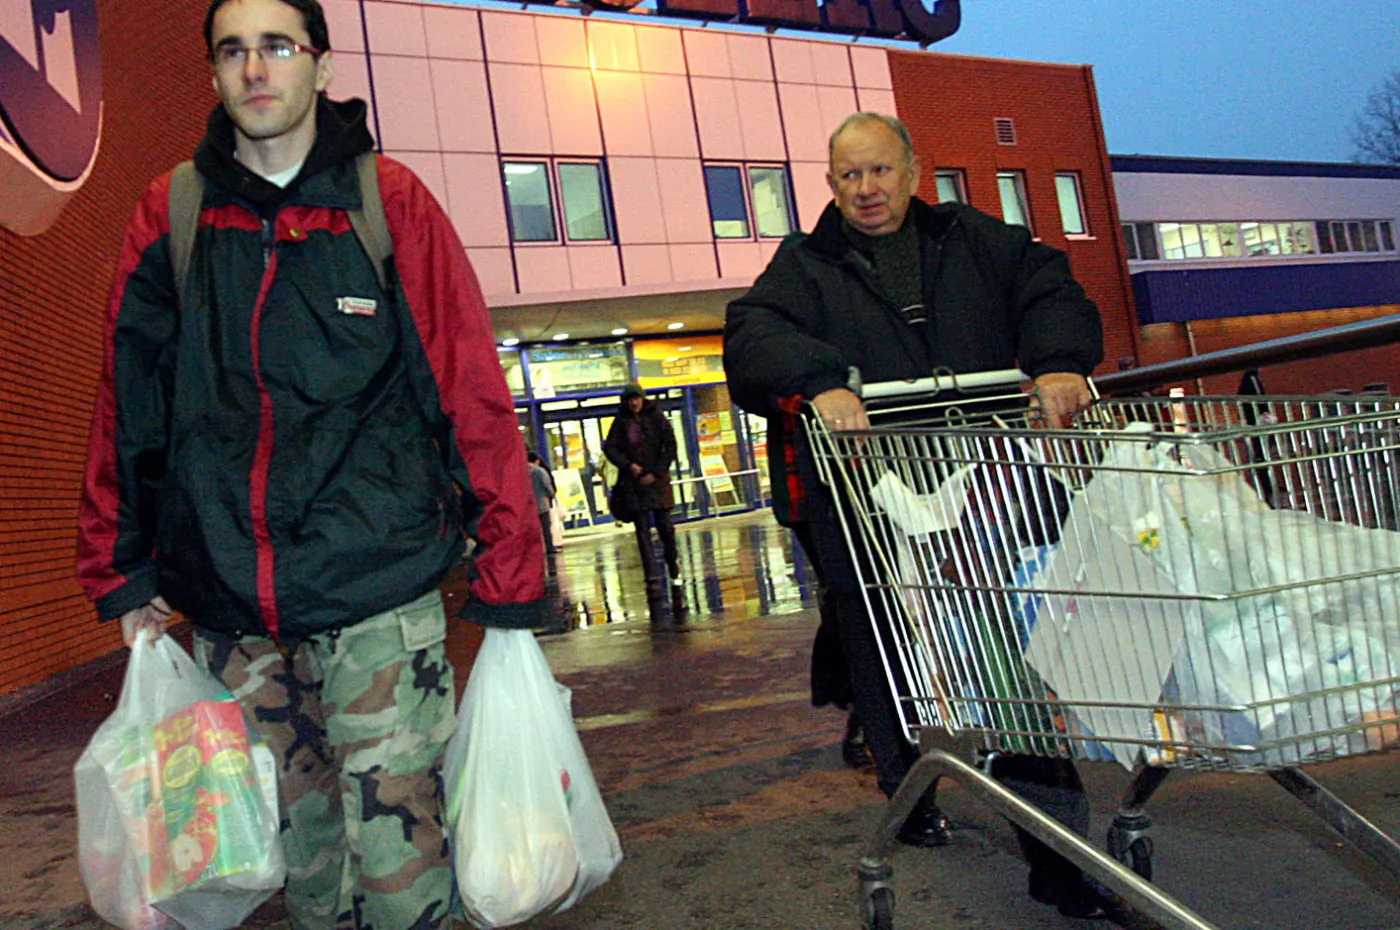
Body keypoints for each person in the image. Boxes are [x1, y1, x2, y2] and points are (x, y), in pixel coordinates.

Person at [73, 1, 544, 927]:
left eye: (278, 47)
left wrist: (512, 563)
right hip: (228, 603)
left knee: (399, 856)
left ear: (319, 67)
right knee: (300, 862)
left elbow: (467, 386)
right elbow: (129, 400)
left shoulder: (387, 202)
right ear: (213, 73)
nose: (255, 70)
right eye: (233, 51)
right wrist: (122, 565)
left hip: (377, 584)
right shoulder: (172, 214)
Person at [724, 112, 1106, 917]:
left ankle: (1056, 853)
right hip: (868, 503)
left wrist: (1060, 363)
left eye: (880, 171)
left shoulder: (976, 239)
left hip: (983, 491)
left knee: (1011, 667)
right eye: (849, 176)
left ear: (911, 170)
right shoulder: (805, 264)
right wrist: (822, 379)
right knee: (886, 654)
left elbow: (1053, 289)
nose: (866, 189)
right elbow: (752, 335)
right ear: (830, 185)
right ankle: (909, 788)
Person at [603, 382, 681, 595]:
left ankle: (673, 566)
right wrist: (629, 466)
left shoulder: (657, 417)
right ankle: (652, 575)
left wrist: (656, 472)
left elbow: (670, 445)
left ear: (643, 399)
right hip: (634, 484)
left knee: (666, 529)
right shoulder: (621, 422)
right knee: (643, 531)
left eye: (637, 399)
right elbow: (611, 447)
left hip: (658, 482)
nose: (634, 403)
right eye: (630, 400)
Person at [528, 450, 559, 554]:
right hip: (542, 504)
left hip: (528, 506)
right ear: (537, 461)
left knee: (532, 530)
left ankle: (534, 550)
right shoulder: (540, 471)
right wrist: (552, 495)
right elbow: (547, 485)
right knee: (546, 528)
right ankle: (549, 548)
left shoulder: (521, 471)